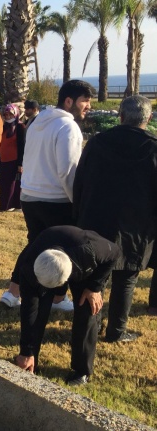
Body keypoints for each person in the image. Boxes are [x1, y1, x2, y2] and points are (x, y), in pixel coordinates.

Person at [0, 80, 93, 310]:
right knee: (62, 249)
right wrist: (77, 202)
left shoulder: (37, 121)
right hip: (56, 198)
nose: (88, 107)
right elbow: (68, 170)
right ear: (69, 101)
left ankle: (14, 292)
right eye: (85, 101)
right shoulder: (68, 127)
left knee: (36, 244)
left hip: (30, 195)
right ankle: (58, 299)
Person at [73, 95, 157, 343]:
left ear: (120, 116)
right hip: (137, 225)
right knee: (127, 276)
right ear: (148, 118)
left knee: (95, 275)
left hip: (97, 218)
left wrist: (78, 212)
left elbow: (81, 181)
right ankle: (116, 331)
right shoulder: (153, 147)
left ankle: (92, 325)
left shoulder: (98, 143)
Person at [12, 226, 119, 386]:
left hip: (83, 267)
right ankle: (31, 360)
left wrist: (94, 287)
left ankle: (82, 370)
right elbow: (29, 310)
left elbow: (115, 253)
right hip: (47, 264)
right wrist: (27, 351)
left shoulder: (89, 250)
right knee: (39, 310)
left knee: (87, 310)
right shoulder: (28, 265)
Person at [0, 104, 25, 212]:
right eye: (6, 114)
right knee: (4, 184)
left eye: (10, 114)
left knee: (15, 184)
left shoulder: (20, 127)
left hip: (15, 161)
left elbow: (22, 146)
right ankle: (5, 205)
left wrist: (20, 163)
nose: (8, 117)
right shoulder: (4, 127)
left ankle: (16, 205)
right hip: (4, 160)